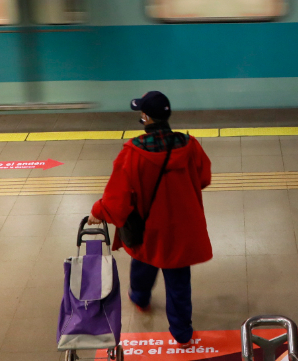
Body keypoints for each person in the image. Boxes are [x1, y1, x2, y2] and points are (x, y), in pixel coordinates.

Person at [87, 91, 213, 347]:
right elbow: (203, 179)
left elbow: (117, 199)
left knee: (143, 261)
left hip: (149, 229)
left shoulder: (132, 152)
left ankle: (140, 297)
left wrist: (98, 212)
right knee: (178, 283)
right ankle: (182, 334)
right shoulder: (189, 145)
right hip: (182, 230)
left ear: (145, 117)